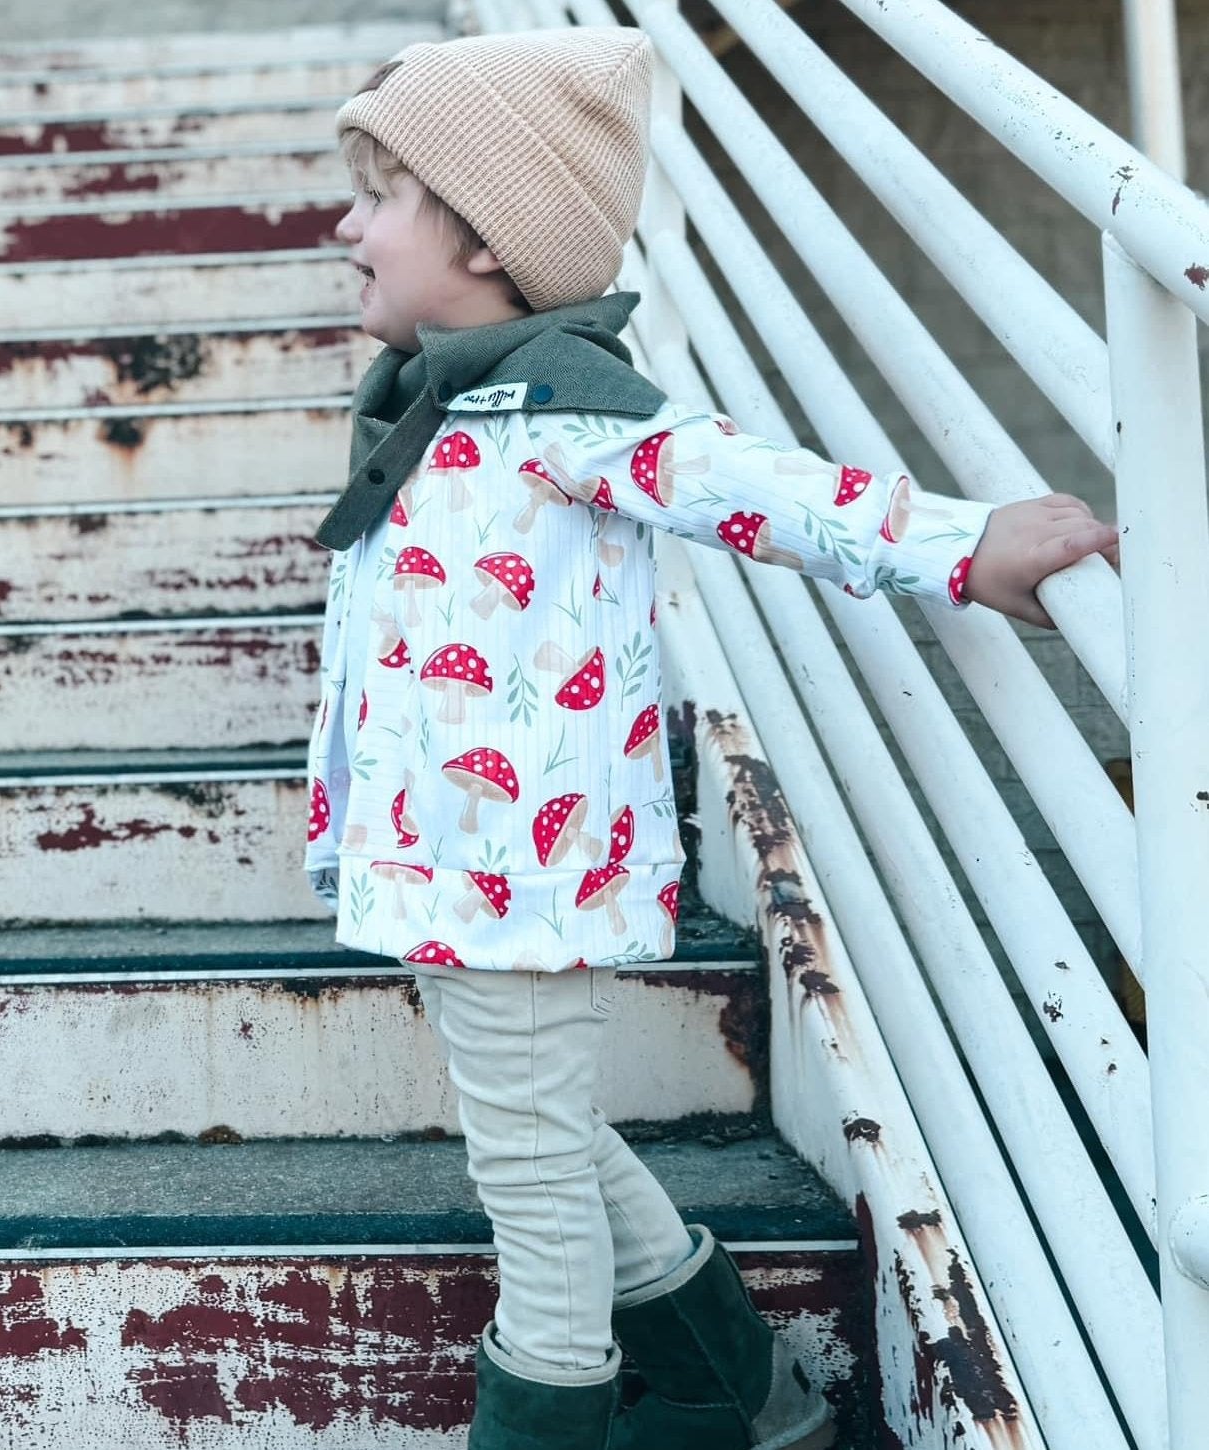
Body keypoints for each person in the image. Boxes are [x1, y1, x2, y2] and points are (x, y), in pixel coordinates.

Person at [300, 26, 1117, 1450]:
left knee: (529, 1172)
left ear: (485, 241)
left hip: (518, 876)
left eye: (377, 194)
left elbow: (755, 485)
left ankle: (549, 1409)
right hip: (445, 865)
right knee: (539, 1130)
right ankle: (735, 1383)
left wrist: (954, 541)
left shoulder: (567, 411)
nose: (342, 222)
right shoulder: (442, 416)